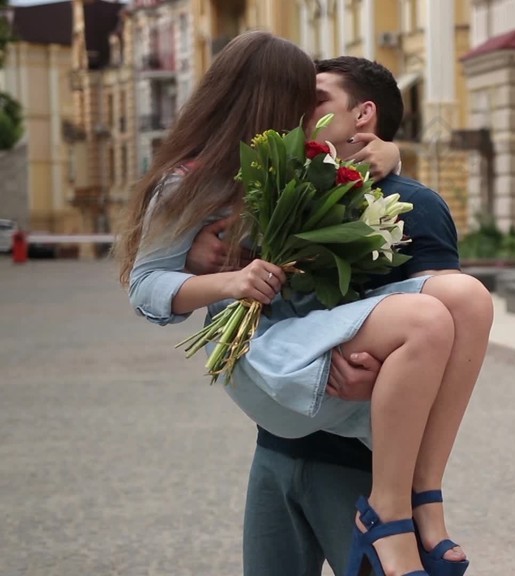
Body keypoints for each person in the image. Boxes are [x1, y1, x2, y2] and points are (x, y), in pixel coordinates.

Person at [116, 32, 492, 576]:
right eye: (301, 97)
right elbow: (147, 287)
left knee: (466, 298)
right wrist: (229, 279)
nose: (306, 112)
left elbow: (354, 186)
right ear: (267, 98)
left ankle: (420, 497)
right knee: (426, 317)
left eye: (314, 100)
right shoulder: (198, 181)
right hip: (260, 353)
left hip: (317, 359)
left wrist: (387, 152)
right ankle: (388, 511)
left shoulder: (297, 165)